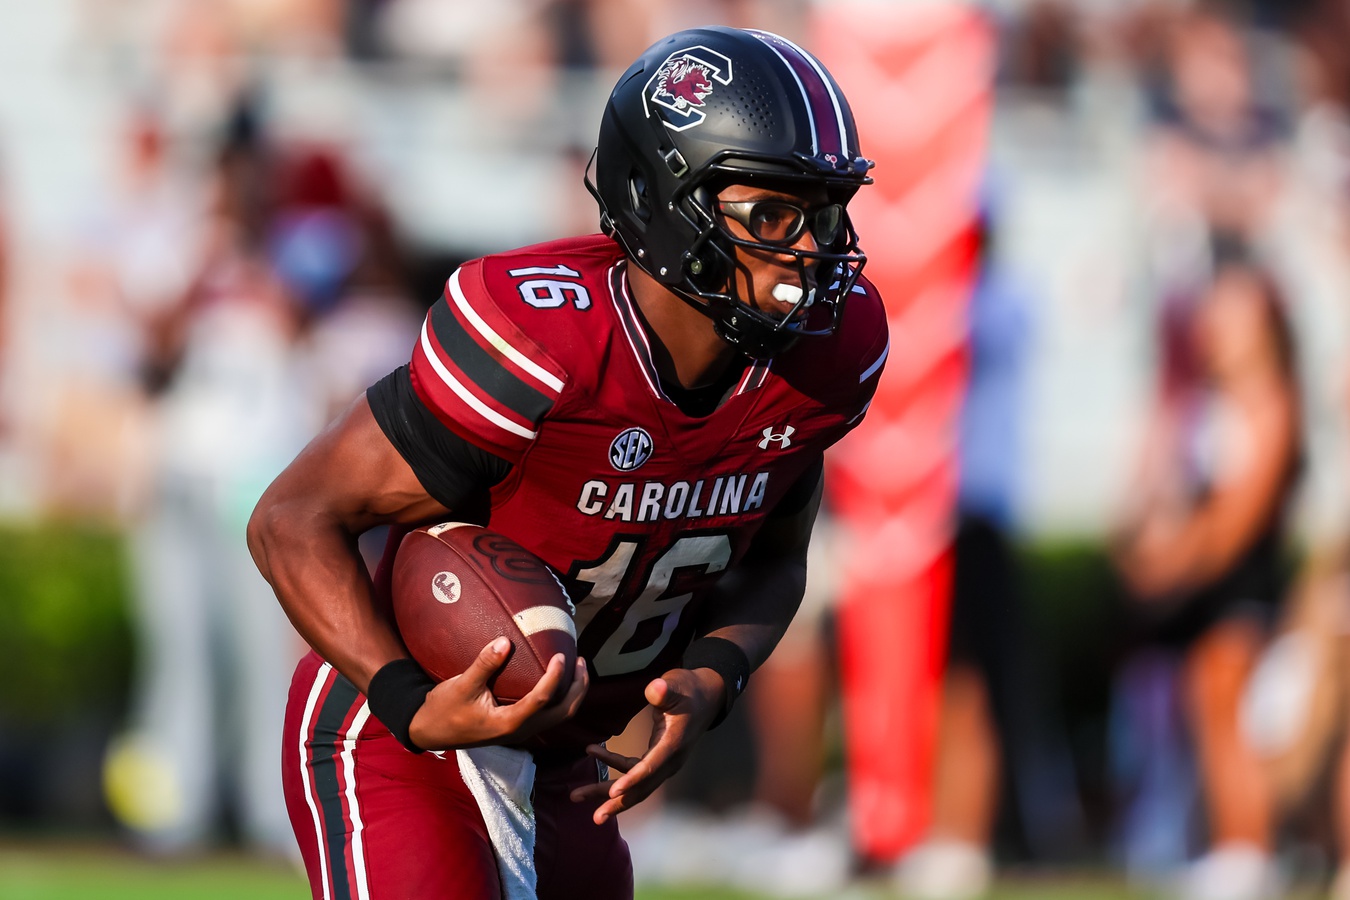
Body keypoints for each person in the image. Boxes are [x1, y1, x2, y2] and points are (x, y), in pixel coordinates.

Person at [248, 25, 889, 900]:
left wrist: (712, 674)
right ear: (664, 201)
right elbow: (291, 518)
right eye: (773, 214)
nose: (812, 250)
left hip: (566, 770)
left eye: (823, 214)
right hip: (406, 740)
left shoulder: (816, 362)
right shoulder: (543, 342)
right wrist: (406, 699)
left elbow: (776, 560)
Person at [1112, 258, 1302, 900]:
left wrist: (1175, 560)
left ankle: (1248, 850)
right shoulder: (1196, 403)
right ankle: (1206, 843)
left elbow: (1239, 519)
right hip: (1194, 591)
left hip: (1243, 587)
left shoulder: (1274, 401)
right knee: (1192, 713)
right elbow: (1157, 498)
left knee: (1227, 705)